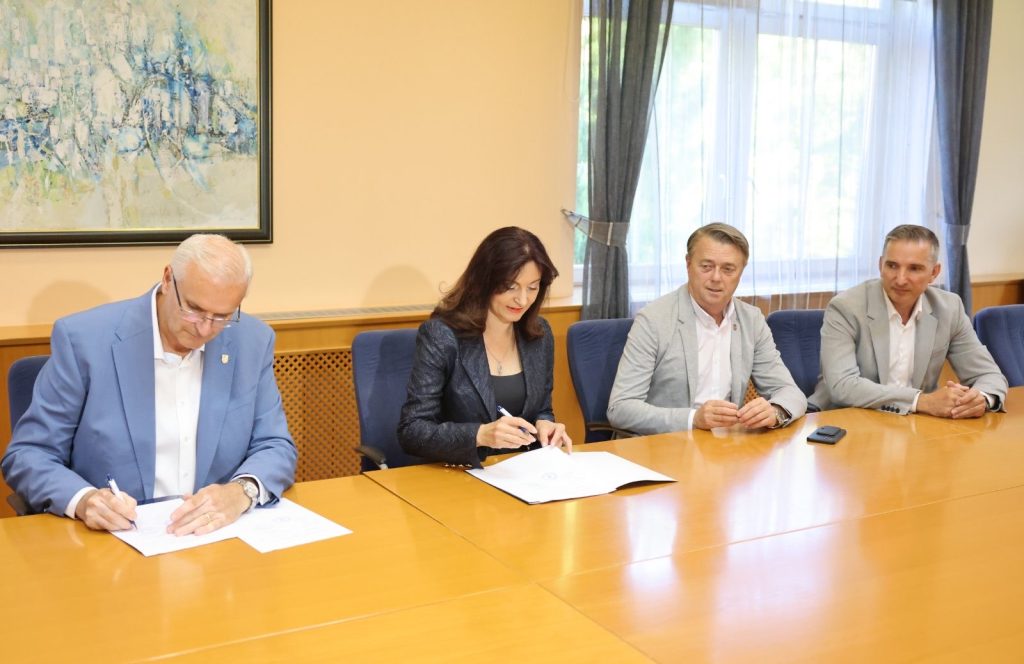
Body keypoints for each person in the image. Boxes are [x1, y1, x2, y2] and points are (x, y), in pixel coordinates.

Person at [2, 234, 297, 534]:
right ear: (168, 279)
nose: (205, 329)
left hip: (213, 535)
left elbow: (275, 445)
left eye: (222, 316)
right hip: (113, 537)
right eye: (193, 309)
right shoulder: (84, 341)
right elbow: (29, 455)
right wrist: (84, 500)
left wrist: (241, 492)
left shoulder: (252, 341)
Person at [607, 223, 807, 434]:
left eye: (728, 269)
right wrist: (693, 419)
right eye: (706, 266)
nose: (716, 278)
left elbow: (789, 392)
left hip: (726, 445)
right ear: (688, 264)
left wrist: (776, 411)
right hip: (666, 442)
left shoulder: (751, 320)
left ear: (741, 272)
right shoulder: (654, 320)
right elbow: (620, 408)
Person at [398, 226, 572, 467]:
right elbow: (412, 431)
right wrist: (479, 435)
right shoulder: (442, 335)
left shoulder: (539, 334)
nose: (523, 300)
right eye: (510, 286)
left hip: (521, 472)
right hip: (460, 474)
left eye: (533, 287)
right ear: (484, 280)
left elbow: (542, 408)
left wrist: (545, 424)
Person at [810, 224, 1007, 416]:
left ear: (934, 272)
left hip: (917, 424)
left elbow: (988, 375)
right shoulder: (846, 307)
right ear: (880, 265)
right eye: (892, 266)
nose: (900, 279)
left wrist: (979, 399)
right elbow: (843, 386)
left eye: (914, 268)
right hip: (850, 419)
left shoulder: (949, 308)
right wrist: (920, 401)